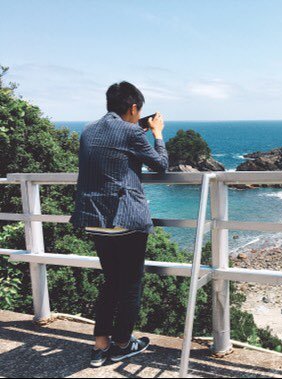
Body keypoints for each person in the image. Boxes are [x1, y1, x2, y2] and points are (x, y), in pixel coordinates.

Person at [69, 81, 169, 367]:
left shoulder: (89, 129)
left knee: (111, 282)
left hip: (95, 219)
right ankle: (123, 344)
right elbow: (160, 164)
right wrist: (157, 134)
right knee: (131, 285)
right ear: (134, 107)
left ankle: (100, 346)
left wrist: (141, 127)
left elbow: (116, 139)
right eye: (139, 113)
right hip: (125, 219)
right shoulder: (130, 131)